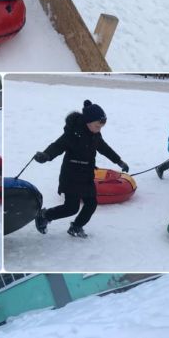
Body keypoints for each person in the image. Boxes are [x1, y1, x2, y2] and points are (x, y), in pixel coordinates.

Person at [33, 100, 129, 239]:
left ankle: (76, 227)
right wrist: (46, 155)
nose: (99, 129)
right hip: (71, 175)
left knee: (91, 204)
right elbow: (57, 146)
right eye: (97, 126)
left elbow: (104, 148)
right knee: (71, 208)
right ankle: (44, 216)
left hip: (86, 175)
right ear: (88, 122)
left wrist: (118, 161)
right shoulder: (73, 132)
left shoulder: (95, 134)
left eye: (101, 127)